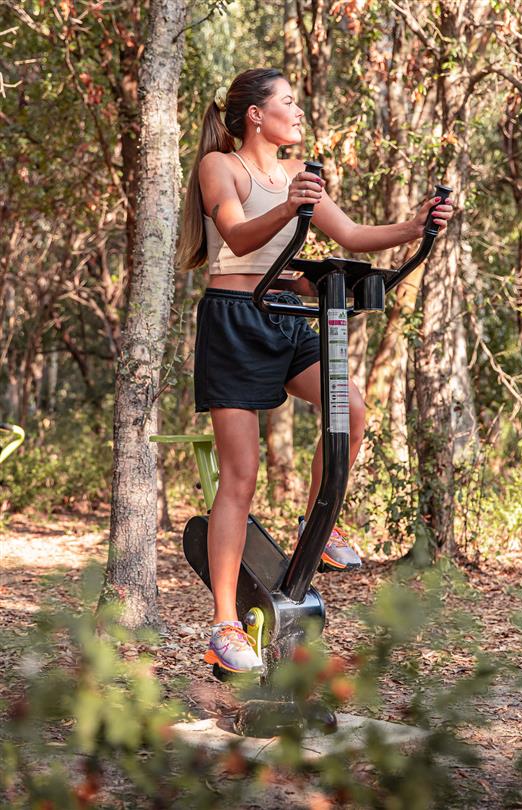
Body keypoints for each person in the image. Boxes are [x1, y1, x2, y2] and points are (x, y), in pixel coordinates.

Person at [178, 68, 454, 674]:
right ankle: (224, 624)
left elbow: (353, 234)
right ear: (255, 114)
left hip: (284, 315)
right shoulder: (221, 166)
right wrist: (291, 208)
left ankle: (316, 526)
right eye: (287, 103)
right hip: (234, 317)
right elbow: (235, 229)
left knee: (350, 410)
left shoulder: (294, 178)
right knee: (240, 477)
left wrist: (418, 226)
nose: (297, 112)